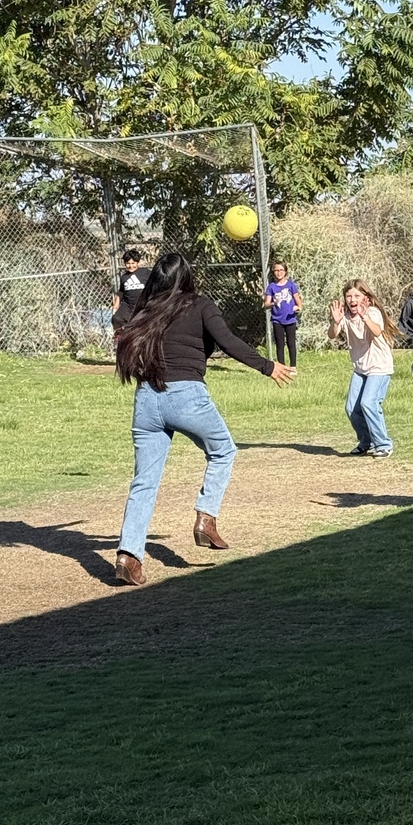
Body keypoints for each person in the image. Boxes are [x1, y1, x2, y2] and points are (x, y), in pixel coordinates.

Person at [114, 252, 292, 585]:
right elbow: (228, 341)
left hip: (147, 401)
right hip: (186, 396)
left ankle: (128, 555)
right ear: (187, 277)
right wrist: (268, 367)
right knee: (223, 450)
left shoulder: (146, 308)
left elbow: (122, 330)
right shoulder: (200, 304)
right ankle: (205, 518)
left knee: (144, 483)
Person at [328, 279, 398, 459]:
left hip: (379, 366)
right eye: (349, 296)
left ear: (365, 297)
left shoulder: (372, 312)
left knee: (369, 403)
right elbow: (332, 335)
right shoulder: (344, 315)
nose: (352, 299)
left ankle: (383, 444)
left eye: (357, 296)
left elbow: (376, 331)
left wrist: (364, 315)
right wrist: (336, 322)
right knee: (352, 408)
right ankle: (366, 442)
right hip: (361, 368)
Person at [263, 260, 302, 373]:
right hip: (277, 320)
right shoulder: (271, 287)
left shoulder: (291, 285)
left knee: (291, 343)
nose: (279, 272)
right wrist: (273, 303)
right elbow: (266, 305)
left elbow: (298, 301)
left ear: (285, 272)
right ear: (273, 272)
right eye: (276, 270)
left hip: (290, 319)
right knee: (280, 344)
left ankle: (293, 367)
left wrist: (298, 307)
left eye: (281, 270)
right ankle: (282, 367)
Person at [112, 249, 151, 332]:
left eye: (133, 263)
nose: (131, 266)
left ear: (138, 263)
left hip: (143, 305)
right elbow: (121, 292)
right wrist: (116, 303)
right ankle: (120, 337)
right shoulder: (124, 277)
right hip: (128, 305)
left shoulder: (146, 273)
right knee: (116, 319)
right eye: (128, 263)